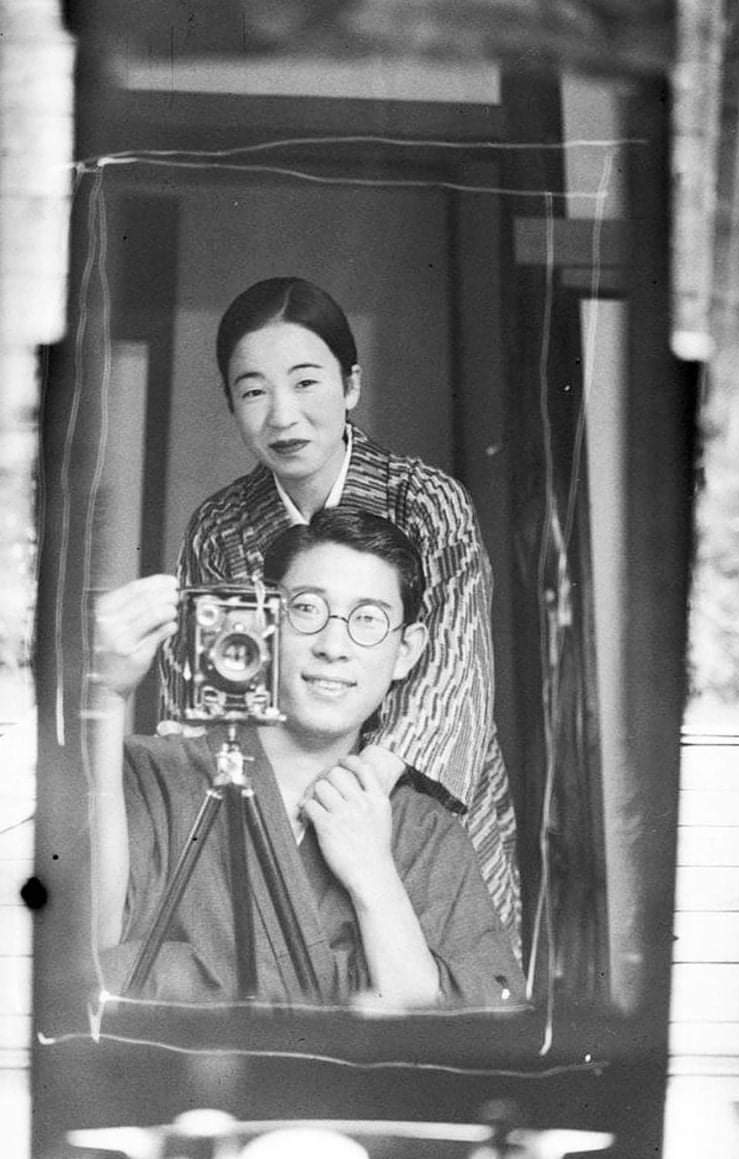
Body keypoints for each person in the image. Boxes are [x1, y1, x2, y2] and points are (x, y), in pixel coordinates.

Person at [167, 276, 522, 948]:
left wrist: (361, 793)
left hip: (415, 806)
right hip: (278, 815)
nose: (283, 415)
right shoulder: (219, 526)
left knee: (446, 981)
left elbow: (456, 670)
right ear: (231, 403)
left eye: (306, 382)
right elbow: (216, 703)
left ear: (350, 385)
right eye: (253, 391)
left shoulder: (429, 501)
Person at [90, 509, 525, 1008]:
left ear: (406, 651)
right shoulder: (154, 775)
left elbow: (475, 1021)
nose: (333, 647)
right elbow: (87, 947)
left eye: (368, 619)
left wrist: (373, 876)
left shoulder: (424, 832)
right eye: (306, 609)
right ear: (264, 622)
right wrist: (106, 696)